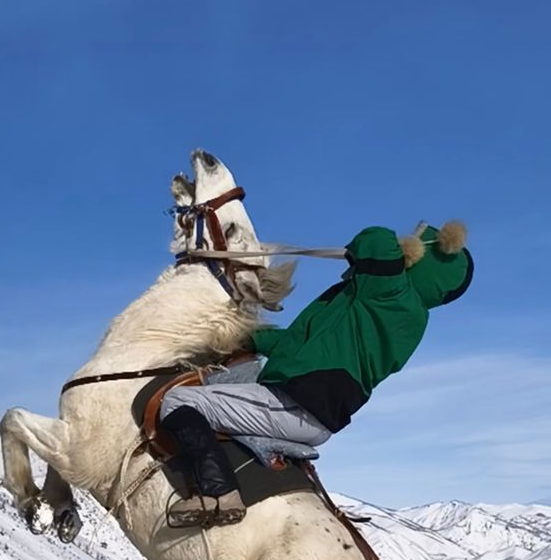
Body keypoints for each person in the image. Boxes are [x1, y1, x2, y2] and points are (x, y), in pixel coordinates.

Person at [161, 221, 474, 528]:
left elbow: (376, 242)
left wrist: (408, 249)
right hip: (311, 413)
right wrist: (245, 338)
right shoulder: (369, 308)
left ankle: (219, 493)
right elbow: (293, 345)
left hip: (294, 403)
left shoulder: (394, 297)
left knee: (178, 400)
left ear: (425, 263)